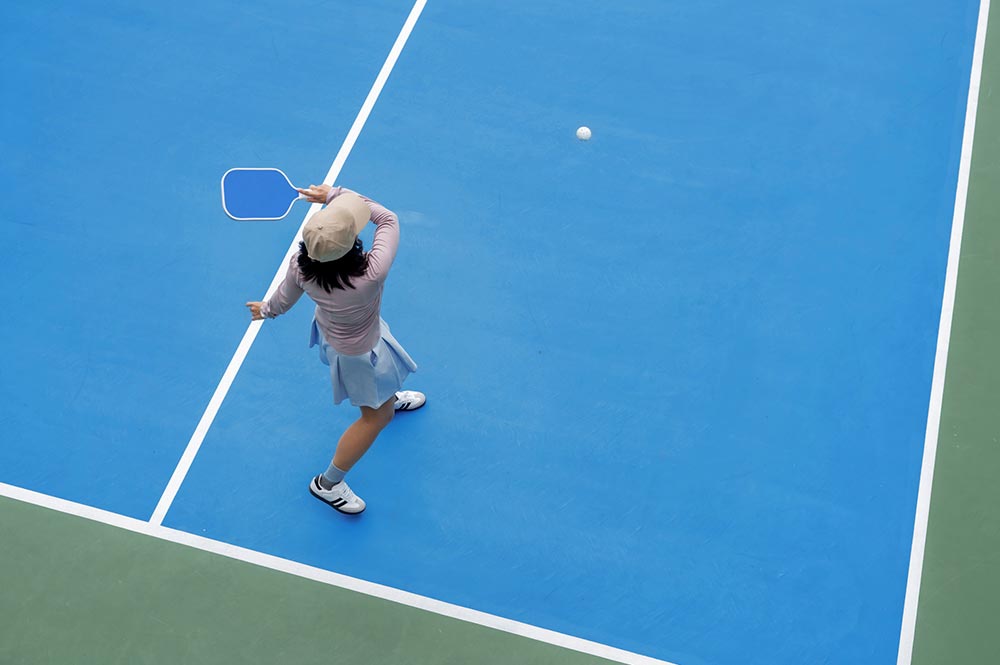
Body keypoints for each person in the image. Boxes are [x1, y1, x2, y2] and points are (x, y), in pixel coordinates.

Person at [246, 184, 425, 515]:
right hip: (361, 356)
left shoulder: (302, 266)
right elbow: (387, 219)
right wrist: (336, 193)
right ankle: (327, 485)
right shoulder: (371, 273)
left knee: (382, 385)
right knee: (375, 419)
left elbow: (283, 300)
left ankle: (386, 395)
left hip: (334, 336)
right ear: (350, 247)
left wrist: (266, 309)